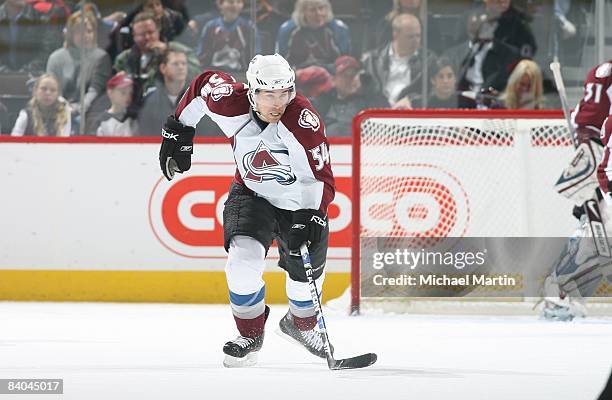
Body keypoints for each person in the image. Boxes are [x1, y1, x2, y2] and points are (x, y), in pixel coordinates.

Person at [158, 53, 335, 367]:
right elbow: (201, 85)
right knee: (241, 262)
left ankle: (302, 324)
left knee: (304, 273)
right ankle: (251, 333)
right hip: (251, 194)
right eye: (269, 94)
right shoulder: (231, 103)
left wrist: (310, 216)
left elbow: (320, 177)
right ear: (252, 92)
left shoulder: (303, 120)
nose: (278, 102)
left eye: (284, 93)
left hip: (300, 203)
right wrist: (180, 130)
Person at [542, 60, 612, 320]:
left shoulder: (602, 71)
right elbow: (592, 121)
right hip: (603, 155)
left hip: (596, 153)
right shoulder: (607, 74)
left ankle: (563, 294)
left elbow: (581, 118)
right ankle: (560, 294)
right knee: (597, 229)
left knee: (594, 226)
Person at [455, 0, 537, 108]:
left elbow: (523, 66)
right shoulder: (460, 51)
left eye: (489, 24)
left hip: (497, 102)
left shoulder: (518, 23)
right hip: (463, 104)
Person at [114, 11, 199, 112]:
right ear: (134, 36)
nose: (147, 38)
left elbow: (196, 74)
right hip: (135, 109)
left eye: (151, 32)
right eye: (142, 34)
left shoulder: (177, 51)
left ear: (158, 31)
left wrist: (167, 52)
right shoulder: (124, 59)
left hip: (170, 106)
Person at [46, 7, 112, 118]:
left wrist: (77, 110)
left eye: (89, 31)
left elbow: (94, 91)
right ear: (70, 35)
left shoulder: (102, 57)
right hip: (58, 112)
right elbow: (52, 89)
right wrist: (64, 109)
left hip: (89, 114)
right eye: (79, 32)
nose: (85, 36)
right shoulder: (55, 57)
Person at [362, 13, 433, 109]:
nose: (416, 41)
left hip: (412, 114)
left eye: (418, 36)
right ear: (395, 35)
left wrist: (411, 100)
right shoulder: (370, 60)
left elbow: (436, 92)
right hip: (377, 114)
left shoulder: (429, 60)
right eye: (410, 37)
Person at [313, 55, 388, 136]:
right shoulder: (323, 102)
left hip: (359, 147)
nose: (350, 80)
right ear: (333, 80)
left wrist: (367, 89)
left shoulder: (370, 101)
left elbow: (385, 118)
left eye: (353, 75)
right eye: (345, 76)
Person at [275, 0, 350, 69]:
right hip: (298, 76)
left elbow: (345, 62)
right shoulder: (288, 30)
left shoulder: (339, 28)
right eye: (312, 10)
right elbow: (281, 63)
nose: (318, 13)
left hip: (330, 77)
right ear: (302, 12)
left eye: (321, 8)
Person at [196, 0, 259, 74]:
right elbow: (201, 54)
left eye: (239, 2)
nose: (235, 5)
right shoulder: (210, 26)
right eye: (231, 2)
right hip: (213, 74)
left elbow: (256, 56)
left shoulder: (249, 27)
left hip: (241, 74)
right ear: (220, 4)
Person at [138, 46, 188, 136]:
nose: (181, 67)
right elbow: (145, 133)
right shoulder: (150, 100)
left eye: (184, 64)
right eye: (175, 64)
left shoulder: (197, 99)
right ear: (163, 68)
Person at [93, 71, 137, 137]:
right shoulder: (100, 121)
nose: (128, 97)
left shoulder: (134, 119)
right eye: (123, 92)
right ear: (110, 93)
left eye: (130, 93)